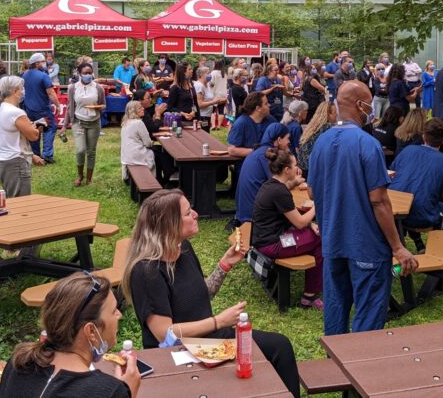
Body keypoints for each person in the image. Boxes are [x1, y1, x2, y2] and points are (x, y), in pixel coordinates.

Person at [122, 189, 301, 397]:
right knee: (272, 351)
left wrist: (224, 265)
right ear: (169, 224)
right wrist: (218, 321)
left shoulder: (183, 249)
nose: (196, 214)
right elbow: (165, 333)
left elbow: (200, 296)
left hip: (209, 340)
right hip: (179, 353)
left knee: (279, 346)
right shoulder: (147, 272)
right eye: (188, 213)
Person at [307, 80, 417, 336]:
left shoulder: (321, 142)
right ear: (360, 105)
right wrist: (398, 247)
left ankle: (335, 365)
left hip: (333, 242)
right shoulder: (368, 144)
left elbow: (312, 191)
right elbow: (378, 200)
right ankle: (362, 366)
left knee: (336, 307)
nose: (373, 110)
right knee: (368, 314)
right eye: (369, 104)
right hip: (366, 245)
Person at [0, 272, 139, 398]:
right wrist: (127, 392)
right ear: (91, 331)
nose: (119, 315)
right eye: (114, 310)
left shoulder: (19, 363)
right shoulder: (110, 391)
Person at [252, 148, 323, 309]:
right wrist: (319, 203)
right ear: (287, 170)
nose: (298, 169)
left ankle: (313, 289)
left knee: (314, 233)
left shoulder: (271, 185)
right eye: (295, 165)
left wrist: (310, 223)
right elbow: (299, 222)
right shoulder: (280, 192)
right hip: (272, 245)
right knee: (321, 238)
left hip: (264, 238)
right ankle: (310, 296)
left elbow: (292, 215)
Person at [389, 118, 443, 253]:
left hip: (395, 213)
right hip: (420, 217)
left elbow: (393, 173)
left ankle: (419, 243)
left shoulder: (408, 150)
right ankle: (437, 253)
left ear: (423, 136)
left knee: (417, 199)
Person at [0, 76, 40, 197]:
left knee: (11, 198)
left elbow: (13, 137)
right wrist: (38, 127)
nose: (23, 91)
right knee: (20, 203)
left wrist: (31, 155)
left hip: (2, 159)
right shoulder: (16, 112)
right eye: (21, 89)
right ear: (14, 91)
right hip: (15, 162)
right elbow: (33, 136)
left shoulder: (2, 108)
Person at [234, 124, 290, 225]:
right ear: (279, 140)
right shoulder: (267, 156)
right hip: (254, 216)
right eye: (287, 138)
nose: (289, 142)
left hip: (244, 212)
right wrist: (295, 181)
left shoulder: (260, 151)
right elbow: (279, 185)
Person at [63, 63, 106, 186]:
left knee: (91, 151)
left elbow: (104, 104)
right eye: (85, 73)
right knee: (80, 150)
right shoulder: (73, 88)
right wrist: (65, 126)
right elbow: (70, 106)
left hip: (94, 122)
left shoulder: (98, 88)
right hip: (79, 122)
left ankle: (89, 179)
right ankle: (80, 176)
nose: (88, 75)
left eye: (90, 73)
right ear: (79, 74)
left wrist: (98, 107)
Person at [23, 52, 60, 164]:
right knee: (50, 128)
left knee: (34, 129)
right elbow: (51, 92)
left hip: (29, 108)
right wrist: (57, 105)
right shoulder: (43, 76)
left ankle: (35, 154)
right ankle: (47, 155)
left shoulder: (25, 75)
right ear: (37, 63)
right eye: (43, 61)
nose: (45, 63)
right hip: (42, 109)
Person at [297, 101, 336, 177]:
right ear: (328, 114)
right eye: (335, 113)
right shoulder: (328, 127)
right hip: (314, 169)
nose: (337, 115)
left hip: (303, 167)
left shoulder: (313, 126)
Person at [120, 101, 155, 180]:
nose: (143, 109)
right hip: (136, 157)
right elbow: (148, 143)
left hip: (126, 157)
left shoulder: (125, 122)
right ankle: (153, 179)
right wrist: (151, 143)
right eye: (140, 108)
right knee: (156, 152)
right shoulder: (139, 123)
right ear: (133, 111)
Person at [194, 66, 223, 132]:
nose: (210, 75)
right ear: (201, 75)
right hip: (202, 116)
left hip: (207, 115)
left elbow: (210, 98)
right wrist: (213, 102)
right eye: (208, 73)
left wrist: (219, 100)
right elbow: (200, 104)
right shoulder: (199, 86)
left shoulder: (207, 85)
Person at [210, 60, 228, 129]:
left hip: (215, 93)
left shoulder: (213, 72)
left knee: (212, 110)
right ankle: (219, 126)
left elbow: (211, 83)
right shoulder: (224, 73)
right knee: (221, 110)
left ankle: (213, 125)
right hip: (223, 94)